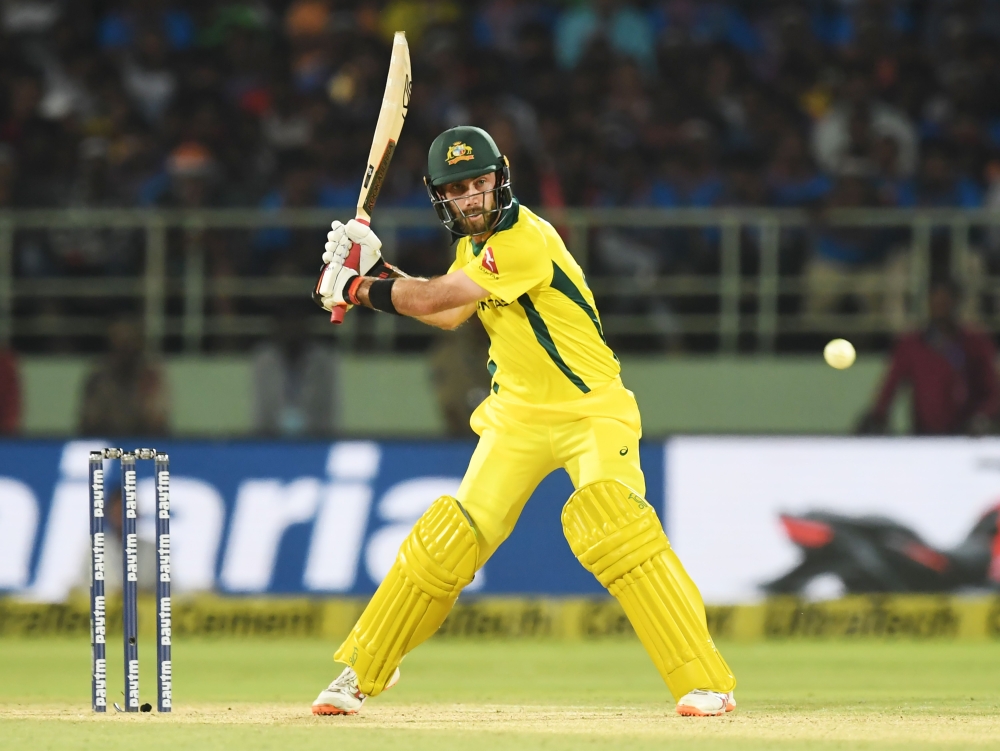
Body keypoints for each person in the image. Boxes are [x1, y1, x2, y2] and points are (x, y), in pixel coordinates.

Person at [311, 126, 736, 717]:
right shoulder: (474, 250)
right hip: (516, 418)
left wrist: (358, 288)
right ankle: (359, 673)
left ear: (501, 177)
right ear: (441, 198)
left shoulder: (525, 240)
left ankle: (704, 680)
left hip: (592, 411)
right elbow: (451, 310)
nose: (472, 198)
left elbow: (433, 299)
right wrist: (378, 271)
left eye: (479, 183)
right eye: (457, 190)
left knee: (617, 528)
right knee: (448, 542)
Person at [858, 280, 1000, 435]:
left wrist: (983, 417)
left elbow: (993, 390)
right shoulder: (911, 345)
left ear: (957, 302)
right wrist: (877, 416)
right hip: (925, 435)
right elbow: (890, 388)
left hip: (967, 435)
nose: (941, 309)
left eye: (946, 303)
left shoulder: (976, 342)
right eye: (936, 303)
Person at [251, 306, 338, 437]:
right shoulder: (264, 361)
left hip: (314, 439)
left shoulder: (323, 361)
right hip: (272, 439)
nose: (292, 330)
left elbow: (329, 408)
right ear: (278, 328)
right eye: (287, 324)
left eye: (296, 324)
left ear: (306, 328)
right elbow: (260, 408)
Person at [79, 318, 168, 436]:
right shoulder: (99, 376)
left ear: (138, 343)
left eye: (128, 342)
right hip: (107, 441)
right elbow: (89, 421)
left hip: (144, 442)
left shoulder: (150, 374)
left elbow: (157, 421)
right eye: (118, 342)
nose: (124, 349)